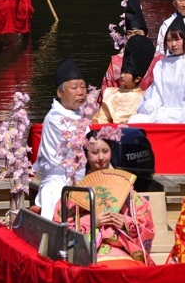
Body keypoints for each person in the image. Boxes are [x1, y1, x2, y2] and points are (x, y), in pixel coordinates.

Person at [53, 130, 156, 266]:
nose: (101, 157)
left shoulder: (126, 189)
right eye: (95, 153)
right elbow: (60, 230)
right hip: (89, 252)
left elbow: (145, 222)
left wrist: (126, 224)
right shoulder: (74, 194)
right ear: (86, 154)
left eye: (105, 151)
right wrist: (91, 222)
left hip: (124, 250)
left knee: (131, 268)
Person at [34, 58, 90, 220]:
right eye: (74, 88)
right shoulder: (55, 118)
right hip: (59, 183)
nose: (80, 92)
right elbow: (80, 147)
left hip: (81, 179)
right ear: (60, 93)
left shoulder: (79, 113)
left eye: (83, 87)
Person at [94, 34, 156, 125]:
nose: (122, 75)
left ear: (137, 79)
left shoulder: (145, 97)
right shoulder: (110, 94)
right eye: (122, 72)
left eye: (126, 73)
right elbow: (100, 121)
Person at [103, 0, 157, 91]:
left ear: (147, 35)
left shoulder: (160, 62)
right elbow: (106, 92)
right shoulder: (116, 62)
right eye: (129, 34)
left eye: (137, 33)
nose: (133, 38)